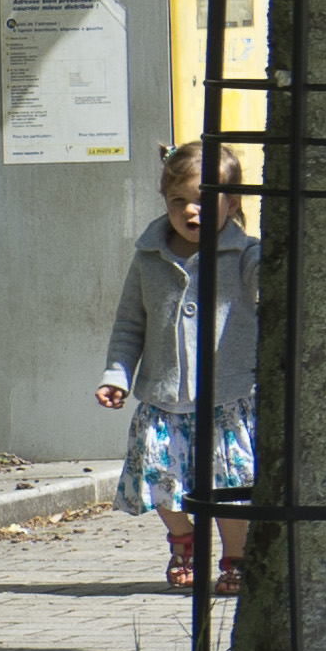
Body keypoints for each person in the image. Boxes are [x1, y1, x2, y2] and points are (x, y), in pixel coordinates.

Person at [97, 139, 259, 594]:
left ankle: (236, 558)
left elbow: (269, 286)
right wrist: (117, 373)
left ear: (231, 204)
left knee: (229, 487)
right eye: (179, 202)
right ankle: (183, 539)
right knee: (159, 478)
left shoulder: (245, 254)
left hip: (225, 398)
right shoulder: (149, 257)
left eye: (205, 202)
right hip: (163, 398)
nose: (191, 212)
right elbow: (130, 322)